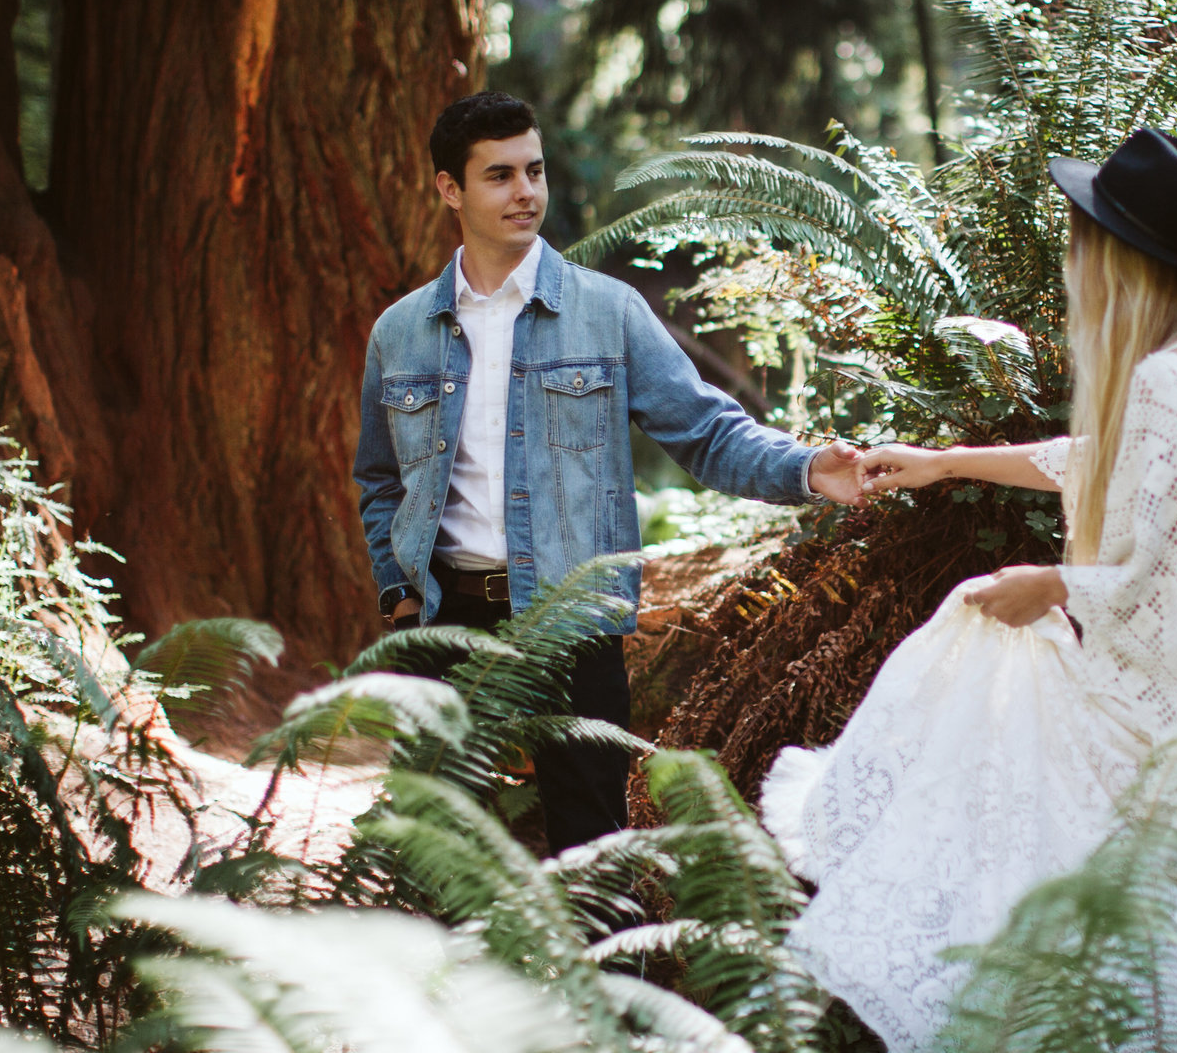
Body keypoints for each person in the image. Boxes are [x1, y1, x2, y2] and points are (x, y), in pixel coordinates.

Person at [761, 127, 1177, 1053]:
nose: (1073, 257)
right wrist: (947, 463)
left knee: (982, 686)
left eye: (1081, 237)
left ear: (1119, 258)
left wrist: (1053, 584)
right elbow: (1124, 475)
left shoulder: (1168, 380)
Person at [356, 92, 865, 850]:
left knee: (591, 849)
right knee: (439, 848)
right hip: (447, 621)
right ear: (449, 189)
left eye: (534, 170)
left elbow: (705, 430)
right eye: (498, 175)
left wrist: (807, 466)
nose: (526, 191)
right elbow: (380, 479)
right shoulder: (400, 332)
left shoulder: (608, 311)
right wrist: (399, 597)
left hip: (571, 620)